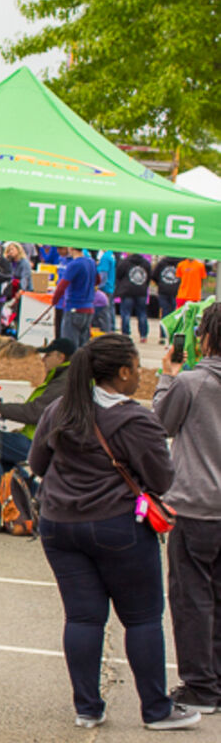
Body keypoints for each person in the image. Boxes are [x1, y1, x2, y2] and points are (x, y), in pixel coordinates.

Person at [30, 334, 199, 730]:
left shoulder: (60, 410)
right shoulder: (135, 419)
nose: (139, 375)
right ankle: (156, 709)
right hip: (118, 525)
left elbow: (37, 464)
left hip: (59, 525)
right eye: (137, 368)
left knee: (83, 618)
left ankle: (87, 708)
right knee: (142, 618)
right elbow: (162, 478)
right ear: (122, 372)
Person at [153, 305, 221, 715]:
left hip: (196, 506)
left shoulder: (192, 383)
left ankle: (201, 686)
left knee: (192, 597)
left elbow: (160, 425)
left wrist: (168, 376)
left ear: (206, 338)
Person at [0, 338, 74, 478]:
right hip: (48, 438)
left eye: (47, 355)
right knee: (0, 451)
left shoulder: (65, 381)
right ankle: (25, 488)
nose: (43, 360)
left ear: (60, 357)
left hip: (45, 442)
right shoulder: (66, 375)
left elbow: (34, 413)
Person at [51, 247, 97, 348]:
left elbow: (62, 286)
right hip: (89, 307)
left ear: (71, 248)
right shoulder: (91, 262)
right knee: (83, 346)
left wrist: (54, 301)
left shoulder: (74, 264)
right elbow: (98, 280)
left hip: (74, 306)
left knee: (69, 346)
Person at [114, 250, 153, 342]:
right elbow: (149, 277)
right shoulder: (146, 263)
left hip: (126, 290)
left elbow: (118, 276)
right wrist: (144, 286)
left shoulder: (124, 262)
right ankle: (143, 335)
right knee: (142, 313)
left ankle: (125, 334)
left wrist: (120, 287)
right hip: (141, 291)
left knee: (126, 313)